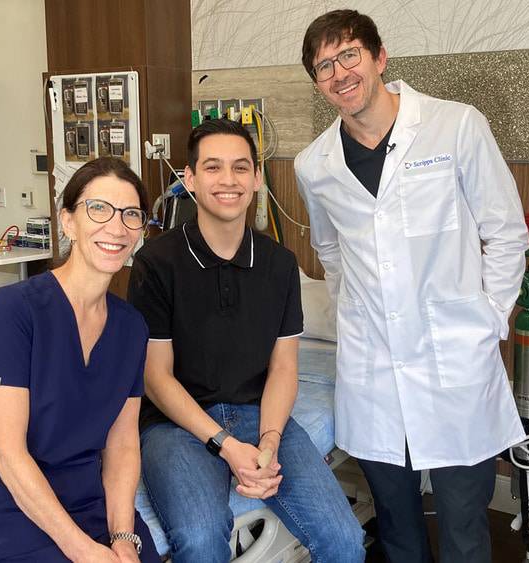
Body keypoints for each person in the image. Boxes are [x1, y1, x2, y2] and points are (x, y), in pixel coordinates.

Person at [295, 10, 529, 563]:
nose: (339, 73)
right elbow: (330, 251)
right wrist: (355, 309)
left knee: (464, 526)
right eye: (323, 66)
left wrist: (490, 318)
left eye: (348, 55)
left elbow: (506, 232)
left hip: (456, 362)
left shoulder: (456, 126)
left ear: (379, 58)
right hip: (373, 369)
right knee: (397, 526)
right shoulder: (314, 164)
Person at [127, 118, 365, 563]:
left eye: (240, 168)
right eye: (213, 167)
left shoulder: (279, 265)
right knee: (200, 541)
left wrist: (269, 443)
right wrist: (227, 446)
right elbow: (156, 378)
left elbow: (284, 367)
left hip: (261, 416)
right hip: (176, 426)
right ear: (190, 179)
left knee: (344, 541)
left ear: (256, 179)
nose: (228, 180)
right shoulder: (157, 263)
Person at [0, 157, 159, 562]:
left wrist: (121, 537)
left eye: (131, 214)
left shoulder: (131, 328)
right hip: (8, 502)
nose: (116, 227)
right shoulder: (15, 312)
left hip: (86, 497)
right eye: (98, 208)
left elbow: (122, 444)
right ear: (68, 222)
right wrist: (84, 552)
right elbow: (6, 453)